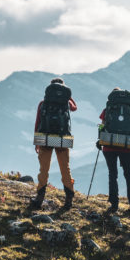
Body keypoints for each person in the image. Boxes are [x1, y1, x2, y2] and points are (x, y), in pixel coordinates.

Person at [32, 77, 77, 211]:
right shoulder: (67, 103)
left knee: (44, 169)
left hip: (44, 137)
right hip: (62, 139)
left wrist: (37, 142)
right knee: (65, 168)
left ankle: (39, 198)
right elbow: (75, 108)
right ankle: (68, 200)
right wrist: (68, 97)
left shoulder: (43, 103)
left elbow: (38, 121)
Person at [98, 88, 130, 214]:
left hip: (109, 146)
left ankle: (114, 204)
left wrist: (100, 139)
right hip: (125, 147)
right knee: (129, 174)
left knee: (112, 174)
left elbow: (102, 125)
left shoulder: (107, 110)